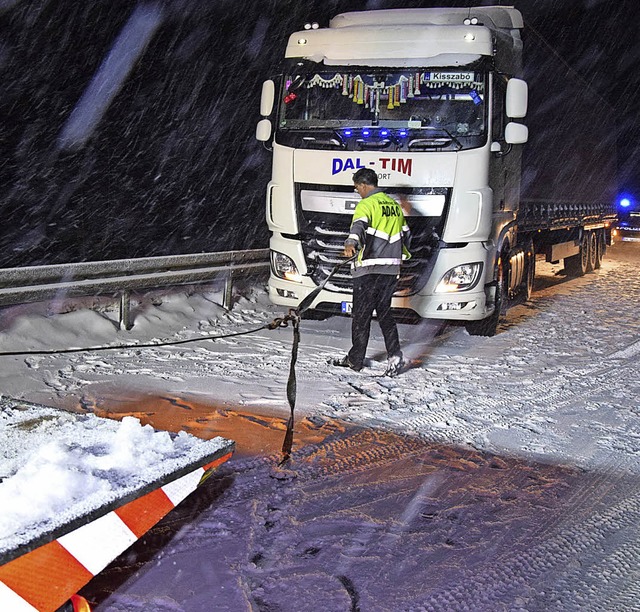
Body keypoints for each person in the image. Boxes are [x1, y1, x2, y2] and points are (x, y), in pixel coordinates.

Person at [332, 167, 411, 377]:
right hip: (390, 269)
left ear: (364, 185)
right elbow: (406, 235)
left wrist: (350, 244)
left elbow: (358, 227)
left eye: (357, 186)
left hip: (368, 270)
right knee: (385, 314)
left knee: (361, 316)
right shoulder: (393, 205)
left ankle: (355, 360)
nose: (357, 190)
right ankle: (395, 357)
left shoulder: (366, 204)